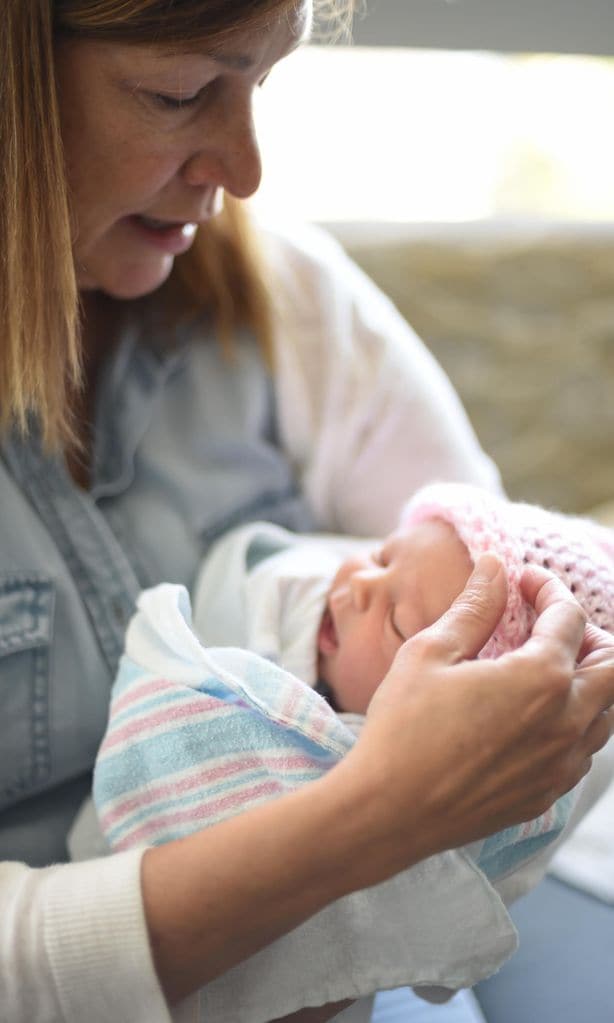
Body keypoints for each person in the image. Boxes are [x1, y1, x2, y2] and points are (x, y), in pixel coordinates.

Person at [1, 2, 614, 1021]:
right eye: (180, 92)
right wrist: (373, 817)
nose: (245, 170)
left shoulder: (280, 293)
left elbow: (501, 601)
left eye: (260, 85)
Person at [93, 481, 614, 885]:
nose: (357, 584)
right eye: (382, 556)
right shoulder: (289, 596)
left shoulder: (429, 776)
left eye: (396, 622)